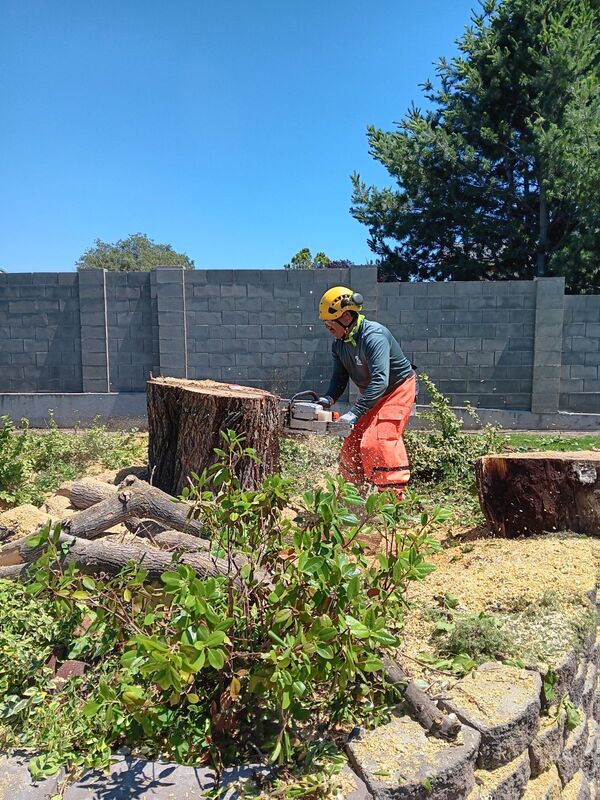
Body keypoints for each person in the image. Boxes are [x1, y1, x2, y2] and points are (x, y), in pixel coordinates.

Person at [317, 286, 417, 500]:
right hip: (373, 394)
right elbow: (339, 378)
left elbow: (380, 380)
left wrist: (354, 413)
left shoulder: (374, 336)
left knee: (378, 439)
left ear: (344, 316)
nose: (327, 327)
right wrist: (326, 400)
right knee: (351, 441)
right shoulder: (339, 345)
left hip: (396, 390)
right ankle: (353, 497)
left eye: (329, 322)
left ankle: (393, 499)